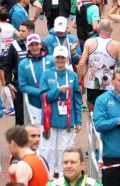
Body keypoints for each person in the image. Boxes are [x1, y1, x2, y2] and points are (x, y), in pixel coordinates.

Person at [39, 45, 83, 178]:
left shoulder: (73, 75)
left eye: (62, 58)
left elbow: (76, 99)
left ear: (67, 59)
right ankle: (48, 178)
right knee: (48, 151)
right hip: (50, 120)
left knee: (64, 151)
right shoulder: (46, 74)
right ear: (54, 58)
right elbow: (43, 97)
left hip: (67, 120)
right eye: (58, 57)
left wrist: (79, 120)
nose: (60, 60)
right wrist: (58, 91)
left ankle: (65, 179)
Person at [79, 20, 120, 111]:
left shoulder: (89, 42)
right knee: (107, 112)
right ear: (111, 30)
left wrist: (79, 81)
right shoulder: (116, 45)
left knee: (92, 114)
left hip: (91, 84)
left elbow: (81, 63)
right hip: (108, 85)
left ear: (99, 29)